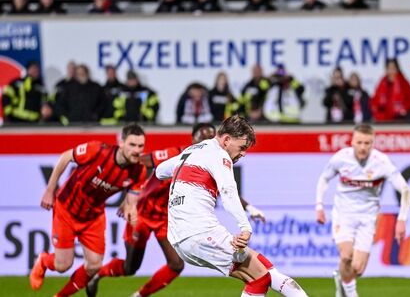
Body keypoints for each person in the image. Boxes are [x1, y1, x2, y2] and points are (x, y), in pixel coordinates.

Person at [86, 123, 267, 297]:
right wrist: (131, 194)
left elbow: (226, 190)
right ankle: (98, 274)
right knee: (130, 268)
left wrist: (249, 208)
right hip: (141, 213)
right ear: (192, 138)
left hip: (165, 217)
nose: (204, 139)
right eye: (200, 137)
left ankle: (139, 295)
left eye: (208, 136)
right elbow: (141, 161)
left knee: (176, 264)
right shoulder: (177, 154)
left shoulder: (212, 160)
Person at [155, 116, 309, 296]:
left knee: (267, 271)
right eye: (242, 147)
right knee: (260, 278)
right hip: (199, 232)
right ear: (226, 139)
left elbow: (159, 171)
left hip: (179, 238)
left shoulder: (193, 151)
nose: (243, 153)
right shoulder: (219, 155)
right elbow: (228, 192)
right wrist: (245, 227)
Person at [30, 125, 149, 296]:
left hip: (93, 216)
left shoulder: (139, 170)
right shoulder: (97, 150)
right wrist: (50, 190)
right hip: (67, 210)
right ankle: (42, 261)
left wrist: (131, 211)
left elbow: (131, 201)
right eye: (132, 145)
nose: (137, 151)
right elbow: (65, 157)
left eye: (140, 146)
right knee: (63, 265)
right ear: (121, 143)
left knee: (94, 265)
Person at [315, 124, 410, 297]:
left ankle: (342, 280)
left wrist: (402, 219)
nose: (363, 147)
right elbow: (324, 179)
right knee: (346, 256)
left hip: (368, 217)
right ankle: (348, 293)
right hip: (344, 215)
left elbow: (405, 190)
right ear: (352, 142)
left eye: (367, 143)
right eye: (359, 142)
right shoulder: (341, 158)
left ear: (373, 143)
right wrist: (319, 206)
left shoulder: (381, 162)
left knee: (357, 269)